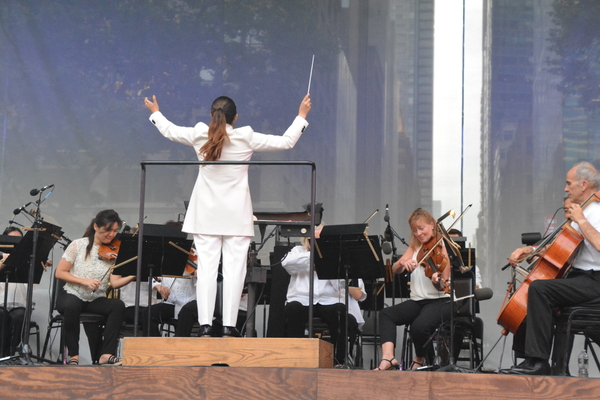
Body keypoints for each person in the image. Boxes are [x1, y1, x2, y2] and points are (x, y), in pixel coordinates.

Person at [144, 92, 311, 337]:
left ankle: (205, 324)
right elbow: (286, 141)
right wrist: (301, 116)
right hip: (235, 214)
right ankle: (230, 326)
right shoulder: (245, 137)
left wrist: (155, 111)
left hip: (206, 215)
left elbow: (169, 130)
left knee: (207, 271)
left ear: (212, 116)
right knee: (235, 271)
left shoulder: (201, 133)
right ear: (236, 117)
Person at [502, 161, 600, 375]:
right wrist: (530, 250)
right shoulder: (580, 212)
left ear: (583, 185)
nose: (565, 188)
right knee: (530, 288)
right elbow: (561, 246)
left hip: (595, 280)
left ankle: (538, 362)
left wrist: (582, 221)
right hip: (579, 277)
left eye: (569, 183)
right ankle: (528, 360)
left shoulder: (595, 212)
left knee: (540, 289)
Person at [376, 208, 452, 370]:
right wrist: (403, 263)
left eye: (421, 228)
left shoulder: (442, 246)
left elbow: (444, 284)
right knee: (386, 314)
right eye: (414, 230)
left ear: (432, 225)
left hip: (440, 301)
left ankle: (420, 358)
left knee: (419, 326)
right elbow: (396, 269)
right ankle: (388, 358)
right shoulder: (415, 247)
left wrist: (436, 281)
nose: (418, 233)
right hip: (417, 301)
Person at [281, 224, 367, 365]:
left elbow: (339, 284)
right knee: (292, 310)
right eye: (312, 240)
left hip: (328, 301)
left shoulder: (333, 255)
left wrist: (326, 263)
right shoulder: (298, 250)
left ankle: (338, 360)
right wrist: (314, 258)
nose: (315, 243)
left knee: (340, 311)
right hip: (302, 300)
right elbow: (287, 264)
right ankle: (295, 357)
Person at [55, 209, 125, 365]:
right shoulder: (78, 245)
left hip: (94, 299)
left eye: (114, 231)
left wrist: (134, 274)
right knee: (71, 305)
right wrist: (84, 281)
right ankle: (73, 355)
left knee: (117, 305)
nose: (112, 234)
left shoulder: (114, 252)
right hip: (72, 294)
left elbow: (114, 283)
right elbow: (60, 272)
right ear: (95, 226)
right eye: (107, 230)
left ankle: (106, 354)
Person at [0, 227, 26, 356]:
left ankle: (10, 355)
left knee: (19, 316)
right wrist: (4, 261)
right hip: (0, 304)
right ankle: (1, 355)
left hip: (18, 305)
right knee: (1, 316)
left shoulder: (25, 260)